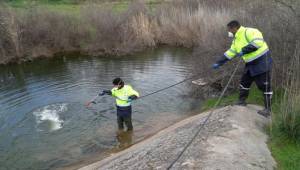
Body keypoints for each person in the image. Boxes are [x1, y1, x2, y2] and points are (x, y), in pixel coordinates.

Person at [212, 20, 273, 117]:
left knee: (264, 86)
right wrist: (219, 62)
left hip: (262, 63)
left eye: (229, 30)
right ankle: (241, 101)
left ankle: (268, 110)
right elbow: (231, 52)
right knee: (244, 82)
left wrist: (244, 50)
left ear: (234, 28)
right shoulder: (236, 40)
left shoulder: (249, 31)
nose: (229, 32)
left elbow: (258, 42)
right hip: (250, 64)